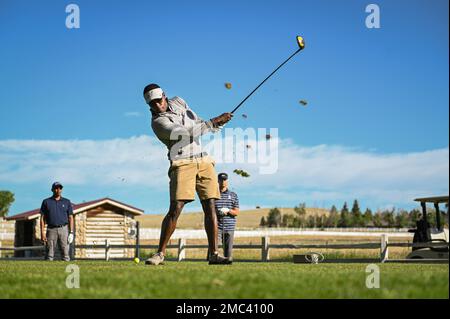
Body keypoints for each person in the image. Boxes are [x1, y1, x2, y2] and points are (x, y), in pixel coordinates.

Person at [142, 83, 233, 265]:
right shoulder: (158, 123)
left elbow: (196, 122)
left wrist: (215, 125)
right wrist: (213, 121)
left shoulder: (179, 101)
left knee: (211, 206)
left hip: (204, 160)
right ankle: (160, 254)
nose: (157, 106)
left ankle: (214, 253)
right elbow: (185, 133)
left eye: (159, 101)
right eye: (152, 104)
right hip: (182, 162)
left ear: (164, 96)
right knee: (176, 208)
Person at [40, 182, 74, 261]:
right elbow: (42, 218)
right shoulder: (46, 202)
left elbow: (70, 217)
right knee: (49, 253)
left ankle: (65, 270)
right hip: (51, 229)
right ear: (52, 189)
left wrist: (71, 232)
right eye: (56, 188)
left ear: (61, 190)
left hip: (64, 229)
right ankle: (47, 271)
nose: (58, 190)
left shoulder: (67, 202)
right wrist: (42, 233)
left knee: (65, 253)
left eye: (60, 188)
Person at [214, 172, 239, 263]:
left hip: (229, 227)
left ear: (227, 181)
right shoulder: (214, 195)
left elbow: (236, 212)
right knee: (216, 248)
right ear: (218, 181)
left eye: (224, 180)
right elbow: (210, 211)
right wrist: (218, 212)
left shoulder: (233, 195)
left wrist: (228, 210)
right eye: (221, 180)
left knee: (228, 253)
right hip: (217, 227)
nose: (223, 182)